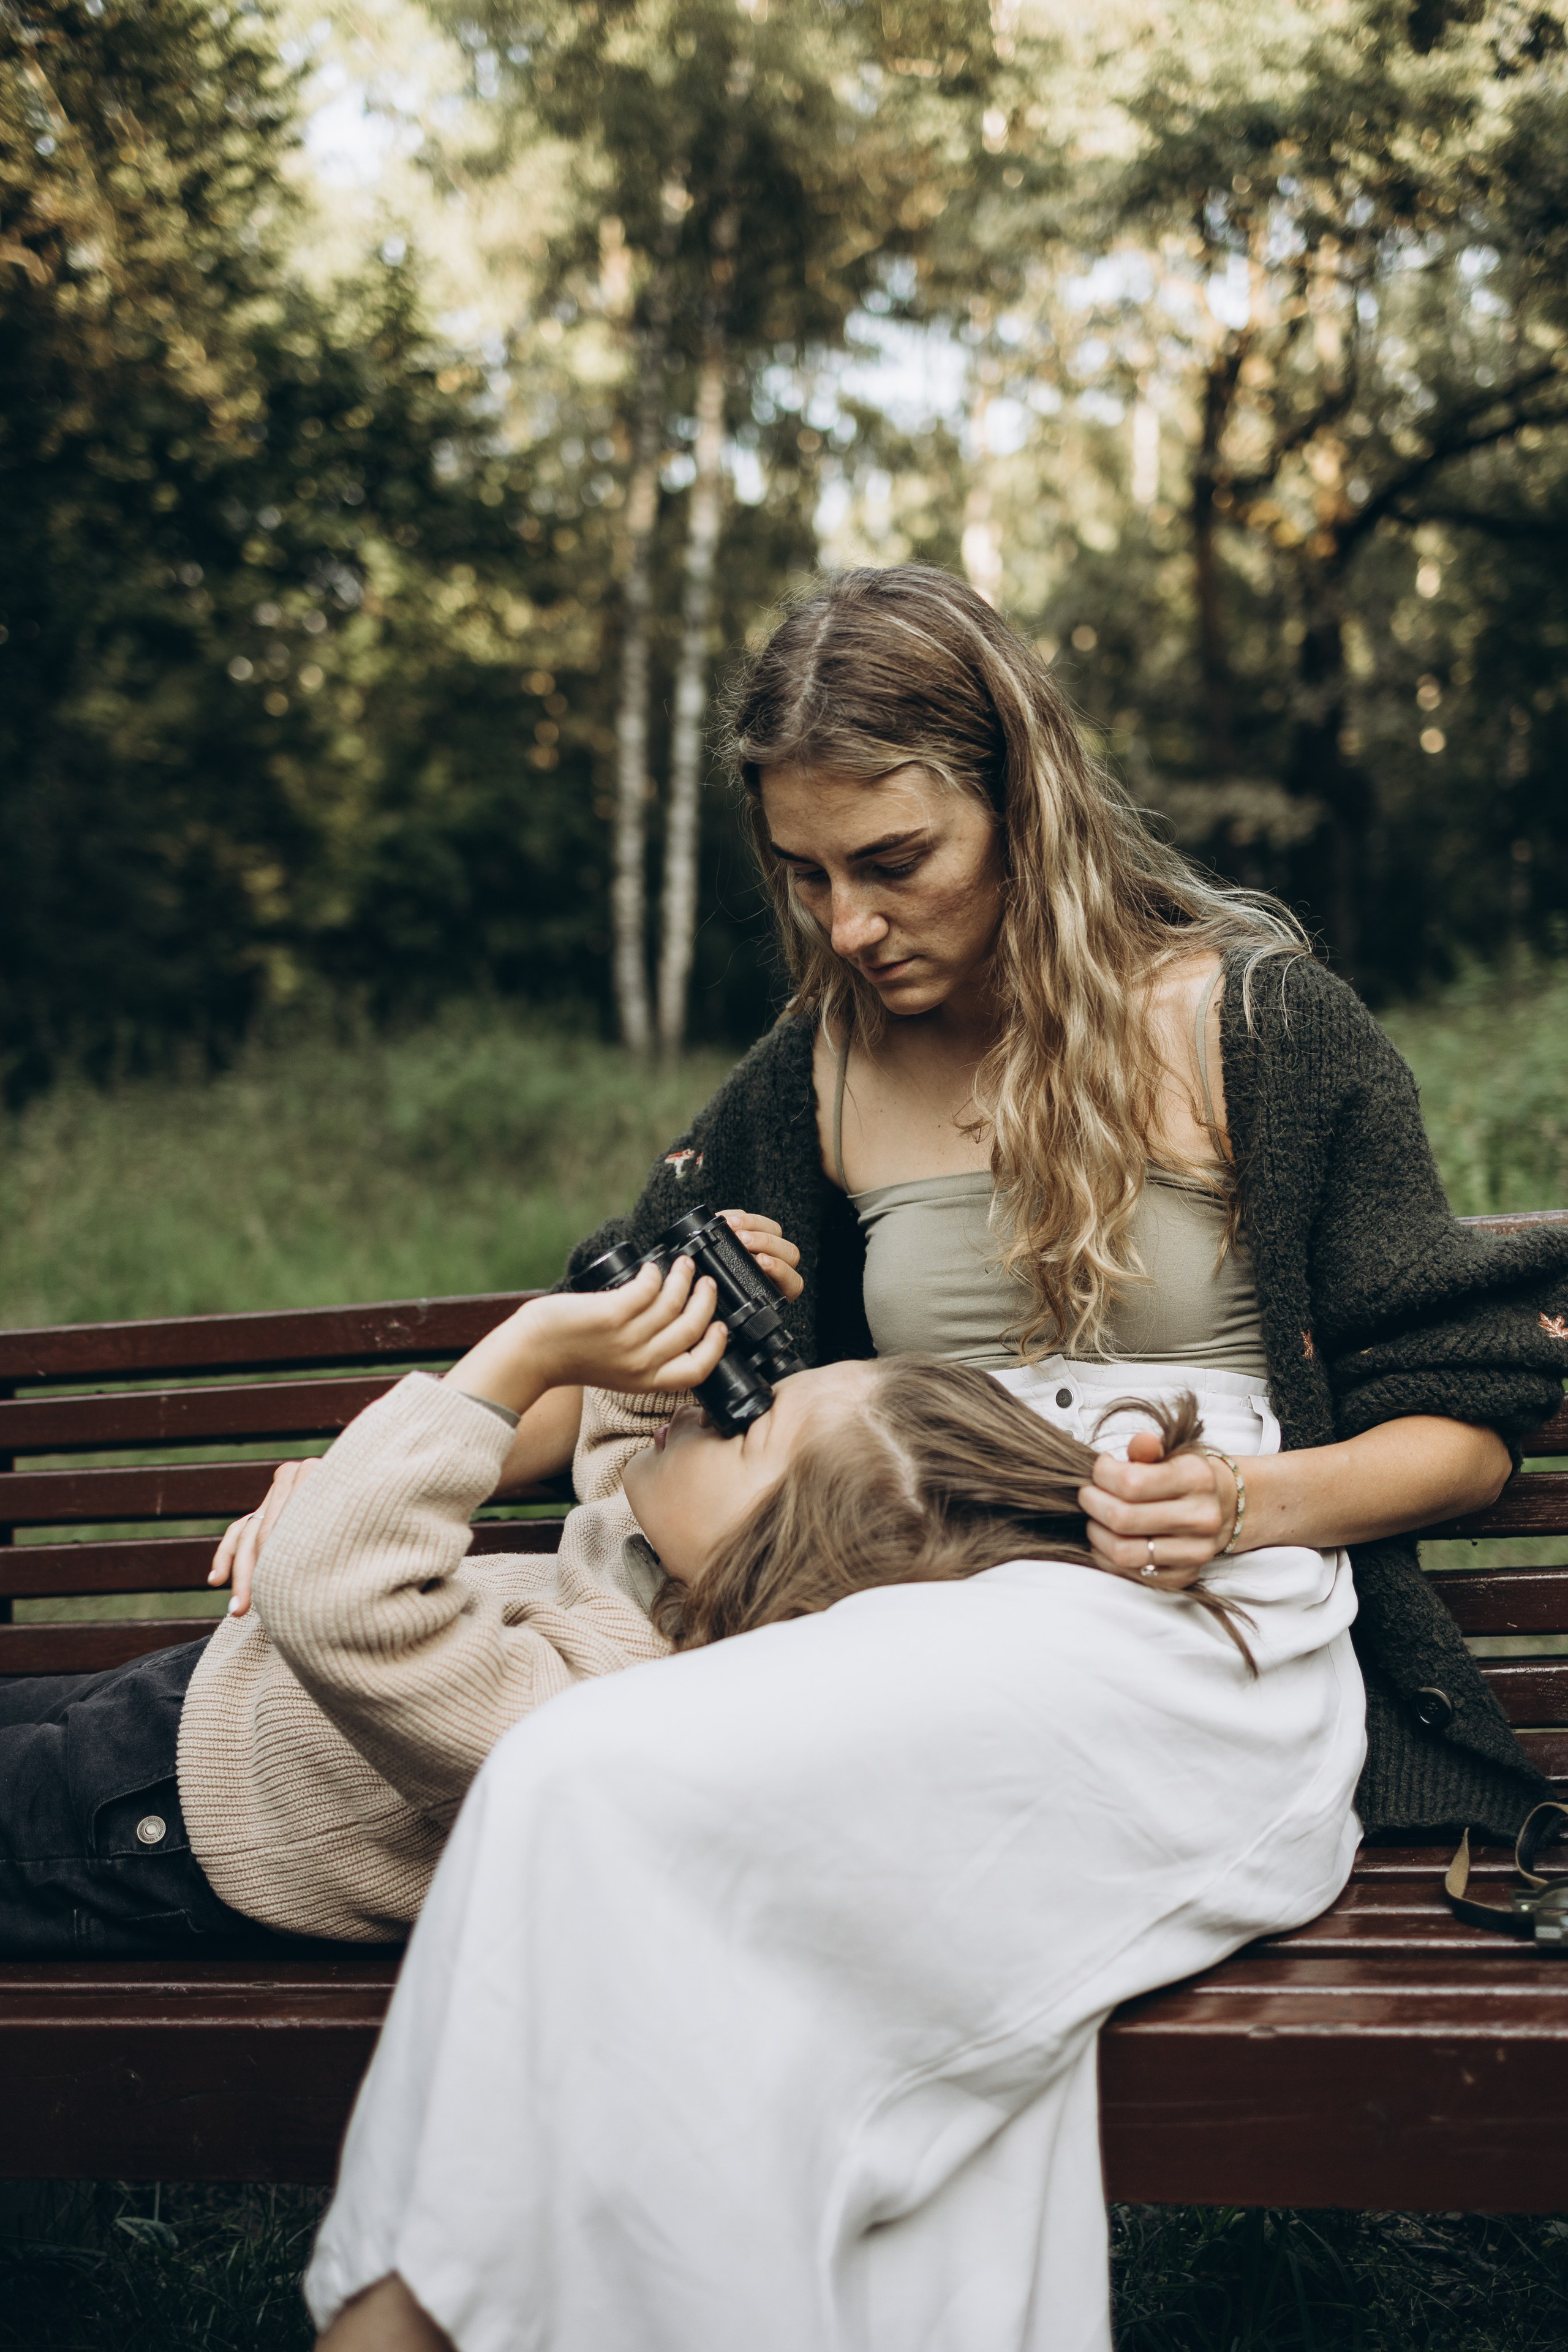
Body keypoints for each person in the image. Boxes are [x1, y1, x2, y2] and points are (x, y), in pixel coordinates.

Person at [305, 564, 1568, 2352]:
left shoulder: (1255, 1026)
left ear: (1022, 799)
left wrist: (1249, 1498)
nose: (849, 924)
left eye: (894, 863)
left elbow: (1466, 1424)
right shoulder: (820, 1066)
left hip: (1187, 1639)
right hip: (903, 1617)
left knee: (593, 1793)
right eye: (806, 876)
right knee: (587, 1791)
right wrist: (397, 1454)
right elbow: (621, 1346)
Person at [0, 1226, 792, 1956]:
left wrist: (527, 1355)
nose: (721, 1413)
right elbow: (632, 1422)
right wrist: (695, 1298)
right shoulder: (680, 1556)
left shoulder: (598, 1719)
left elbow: (329, 1589)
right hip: (208, 1706)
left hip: (178, 1819)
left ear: (764, 1563)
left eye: (750, 1425)